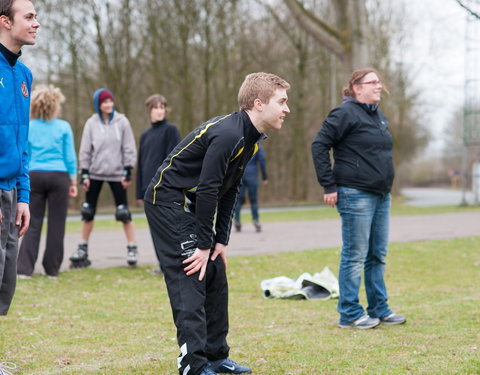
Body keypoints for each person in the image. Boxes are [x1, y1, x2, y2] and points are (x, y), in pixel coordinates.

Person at [144, 72, 290, 375]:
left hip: (189, 204)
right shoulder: (228, 134)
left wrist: (219, 241)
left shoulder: (249, 142)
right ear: (259, 104)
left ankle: (215, 356)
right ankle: (192, 365)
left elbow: (229, 190)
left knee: (215, 271)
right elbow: (209, 188)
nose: (287, 109)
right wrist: (201, 244)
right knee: (192, 275)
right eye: (282, 102)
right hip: (167, 200)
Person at [311, 68, 407, 329]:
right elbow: (319, 145)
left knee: (377, 255)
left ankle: (379, 308)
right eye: (372, 82)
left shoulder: (378, 116)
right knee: (355, 255)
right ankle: (349, 313)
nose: (379, 86)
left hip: (381, 195)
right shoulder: (344, 113)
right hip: (354, 193)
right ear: (356, 87)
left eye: (379, 81)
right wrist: (328, 185)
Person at [0, 0, 40, 315]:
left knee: (5, 283)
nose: (36, 23)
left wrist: (23, 196)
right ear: (5, 22)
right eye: (29, 16)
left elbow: (22, 143)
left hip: (13, 193)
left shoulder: (25, 75)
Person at [70, 88, 137, 268]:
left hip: (117, 173)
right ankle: (82, 248)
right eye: (104, 102)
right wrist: (84, 173)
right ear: (98, 105)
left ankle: (132, 248)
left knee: (124, 212)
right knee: (88, 212)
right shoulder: (91, 123)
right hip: (95, 172)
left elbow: (129, 147)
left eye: (110, 101)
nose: (108, 104)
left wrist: (127, 170)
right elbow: (85, 149)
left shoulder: (122, 122)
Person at [17, 85, 77, 278]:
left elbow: (25, 156)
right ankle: (52, 269)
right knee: (57, 224)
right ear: (55, 105)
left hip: (34, 176)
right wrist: (73, 181)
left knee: (32, 222)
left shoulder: (30, 127)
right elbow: (70, 157)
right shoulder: (64, 127)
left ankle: (25, 269)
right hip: (59, 177)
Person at [136, 94, 181, 274]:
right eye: (156, 107)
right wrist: (139, 192)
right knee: (155, 230)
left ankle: (172, 264)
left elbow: (173, 160)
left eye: (162, 107)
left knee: (169, 229)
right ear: (149, 110)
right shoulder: (145, 135)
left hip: (164, 187)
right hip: (147, 189)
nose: (160, 111)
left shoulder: (171, 130)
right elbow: (140, 164)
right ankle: (162, 265)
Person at [233, 144, 267, 233]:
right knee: (254, 200)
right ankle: (256, 221)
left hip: (240, 175)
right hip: (252, 176)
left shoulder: (240, 144)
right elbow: (262, 161)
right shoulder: (258, 145)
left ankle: (237, 221)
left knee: (238, 200)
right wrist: (264, 176)